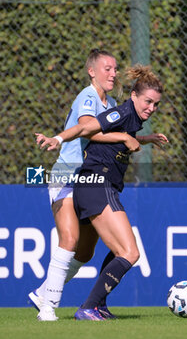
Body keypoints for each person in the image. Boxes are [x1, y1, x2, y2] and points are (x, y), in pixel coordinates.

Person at [36, 64, 168, 320]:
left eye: (156, 104)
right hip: (97, 186)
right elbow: (86, 128)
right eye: (148, 102)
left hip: (95, 187)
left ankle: (93, 304)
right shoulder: (121, 112)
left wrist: (144, 139)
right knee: (130, 252)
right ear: (133, 96)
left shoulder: (131, 119)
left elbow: (118, 135)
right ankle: (88, 306)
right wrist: (58, 139)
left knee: (90, 252)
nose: (151, 108)